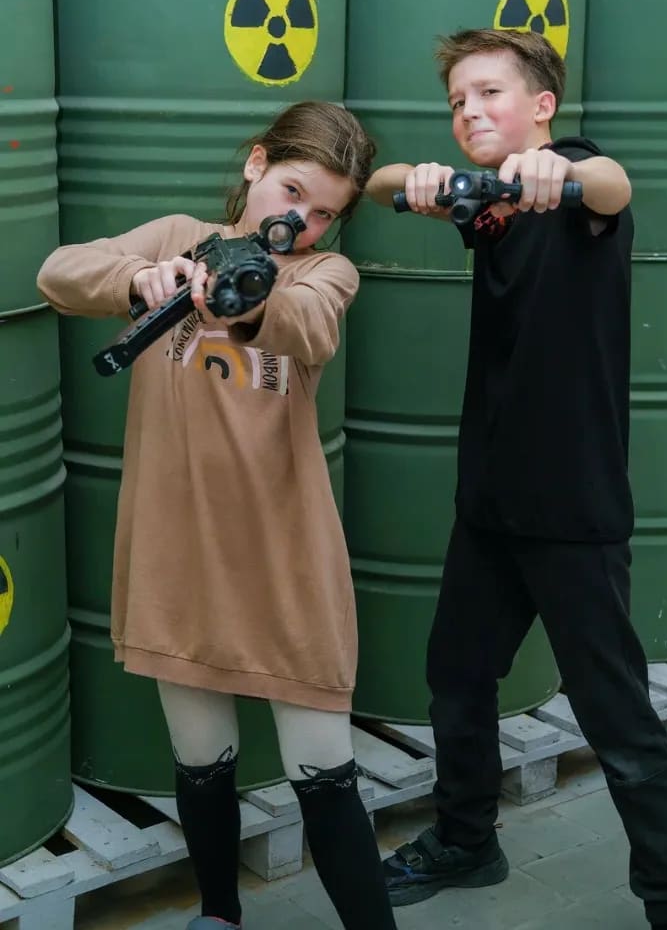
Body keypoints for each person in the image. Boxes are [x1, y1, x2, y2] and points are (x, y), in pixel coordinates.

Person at [366, 29, 667, 930]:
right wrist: (421, 180)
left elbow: (614, 187)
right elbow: (374, 183)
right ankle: (467, 840)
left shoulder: (578, 183)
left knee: (617, 717)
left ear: (543, 106)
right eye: (457, 101)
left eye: (490, 93)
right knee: (456, 676)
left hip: (570, 507)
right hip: (489, 502)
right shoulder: (487, 203)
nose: (469, 111)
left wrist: (562, 171)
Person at [37, 101, 397, 930]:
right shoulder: (176, 237)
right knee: (200, 761)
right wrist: (139, 280)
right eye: (292, 192)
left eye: (323, 213)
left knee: (324, 773)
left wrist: (244, 303)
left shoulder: (324, 274)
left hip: (285, 557)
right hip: (177, 551)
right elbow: (59, 273)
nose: (300, 222)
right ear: (256, 163)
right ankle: (220, 915)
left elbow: (310, 329)